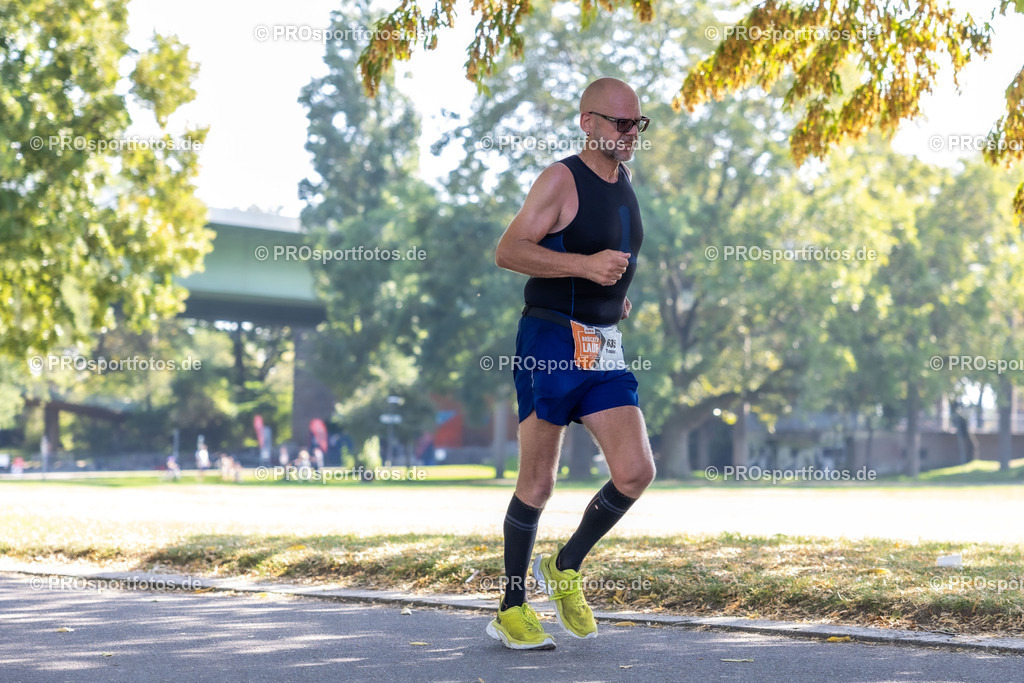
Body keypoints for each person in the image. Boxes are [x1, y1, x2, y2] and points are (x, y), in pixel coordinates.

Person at [487, 77, 656, 651]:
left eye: (638, 124)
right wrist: (586, 269)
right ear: (588, 124)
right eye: (620, 123)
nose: (631, 134)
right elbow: (509, 251)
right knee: (538, 481)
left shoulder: (624, 181)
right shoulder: (561, 179)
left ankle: (564, 567)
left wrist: (613, 298)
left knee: (635, 471)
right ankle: (510, 606)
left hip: (603, 341)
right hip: (552, 340)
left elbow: (605, 263)